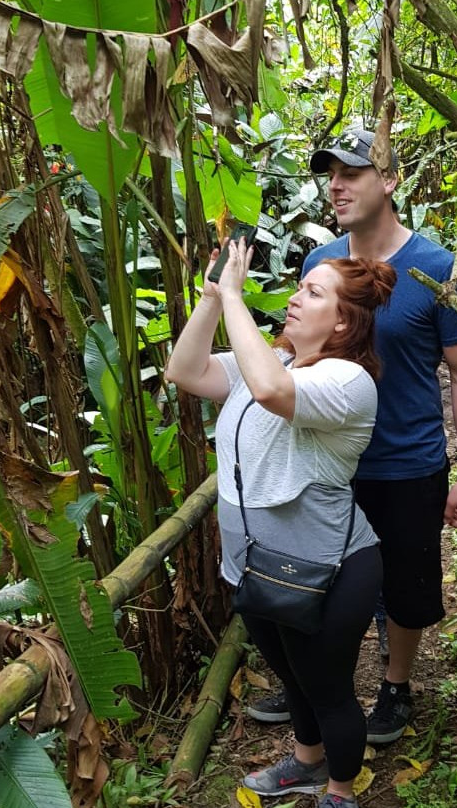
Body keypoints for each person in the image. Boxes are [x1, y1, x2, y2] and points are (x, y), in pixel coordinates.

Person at [247, 128, 457, 743]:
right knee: (319, 578)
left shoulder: (435, 269)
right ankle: (318, 688)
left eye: (352, 172)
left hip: (405, 462)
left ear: (390, 181)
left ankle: (397, 685)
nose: (337, 185)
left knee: (405, 586)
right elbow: (294, 348)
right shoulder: (320, 263)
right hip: (326, 460)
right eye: (331, 174)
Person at [166, 237, 396, 808]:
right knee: (292, 678)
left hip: (329, 568)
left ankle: (340, 792)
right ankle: (306, 761)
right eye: (299, 287)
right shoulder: (272, 362)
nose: (295, 298)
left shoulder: (347, 382)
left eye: (312, 292)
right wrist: (215, 297)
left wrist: (239, 299)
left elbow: (272, 392)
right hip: (259, 566)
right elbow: (185, 370)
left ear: (342, 323)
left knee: (328, 688)